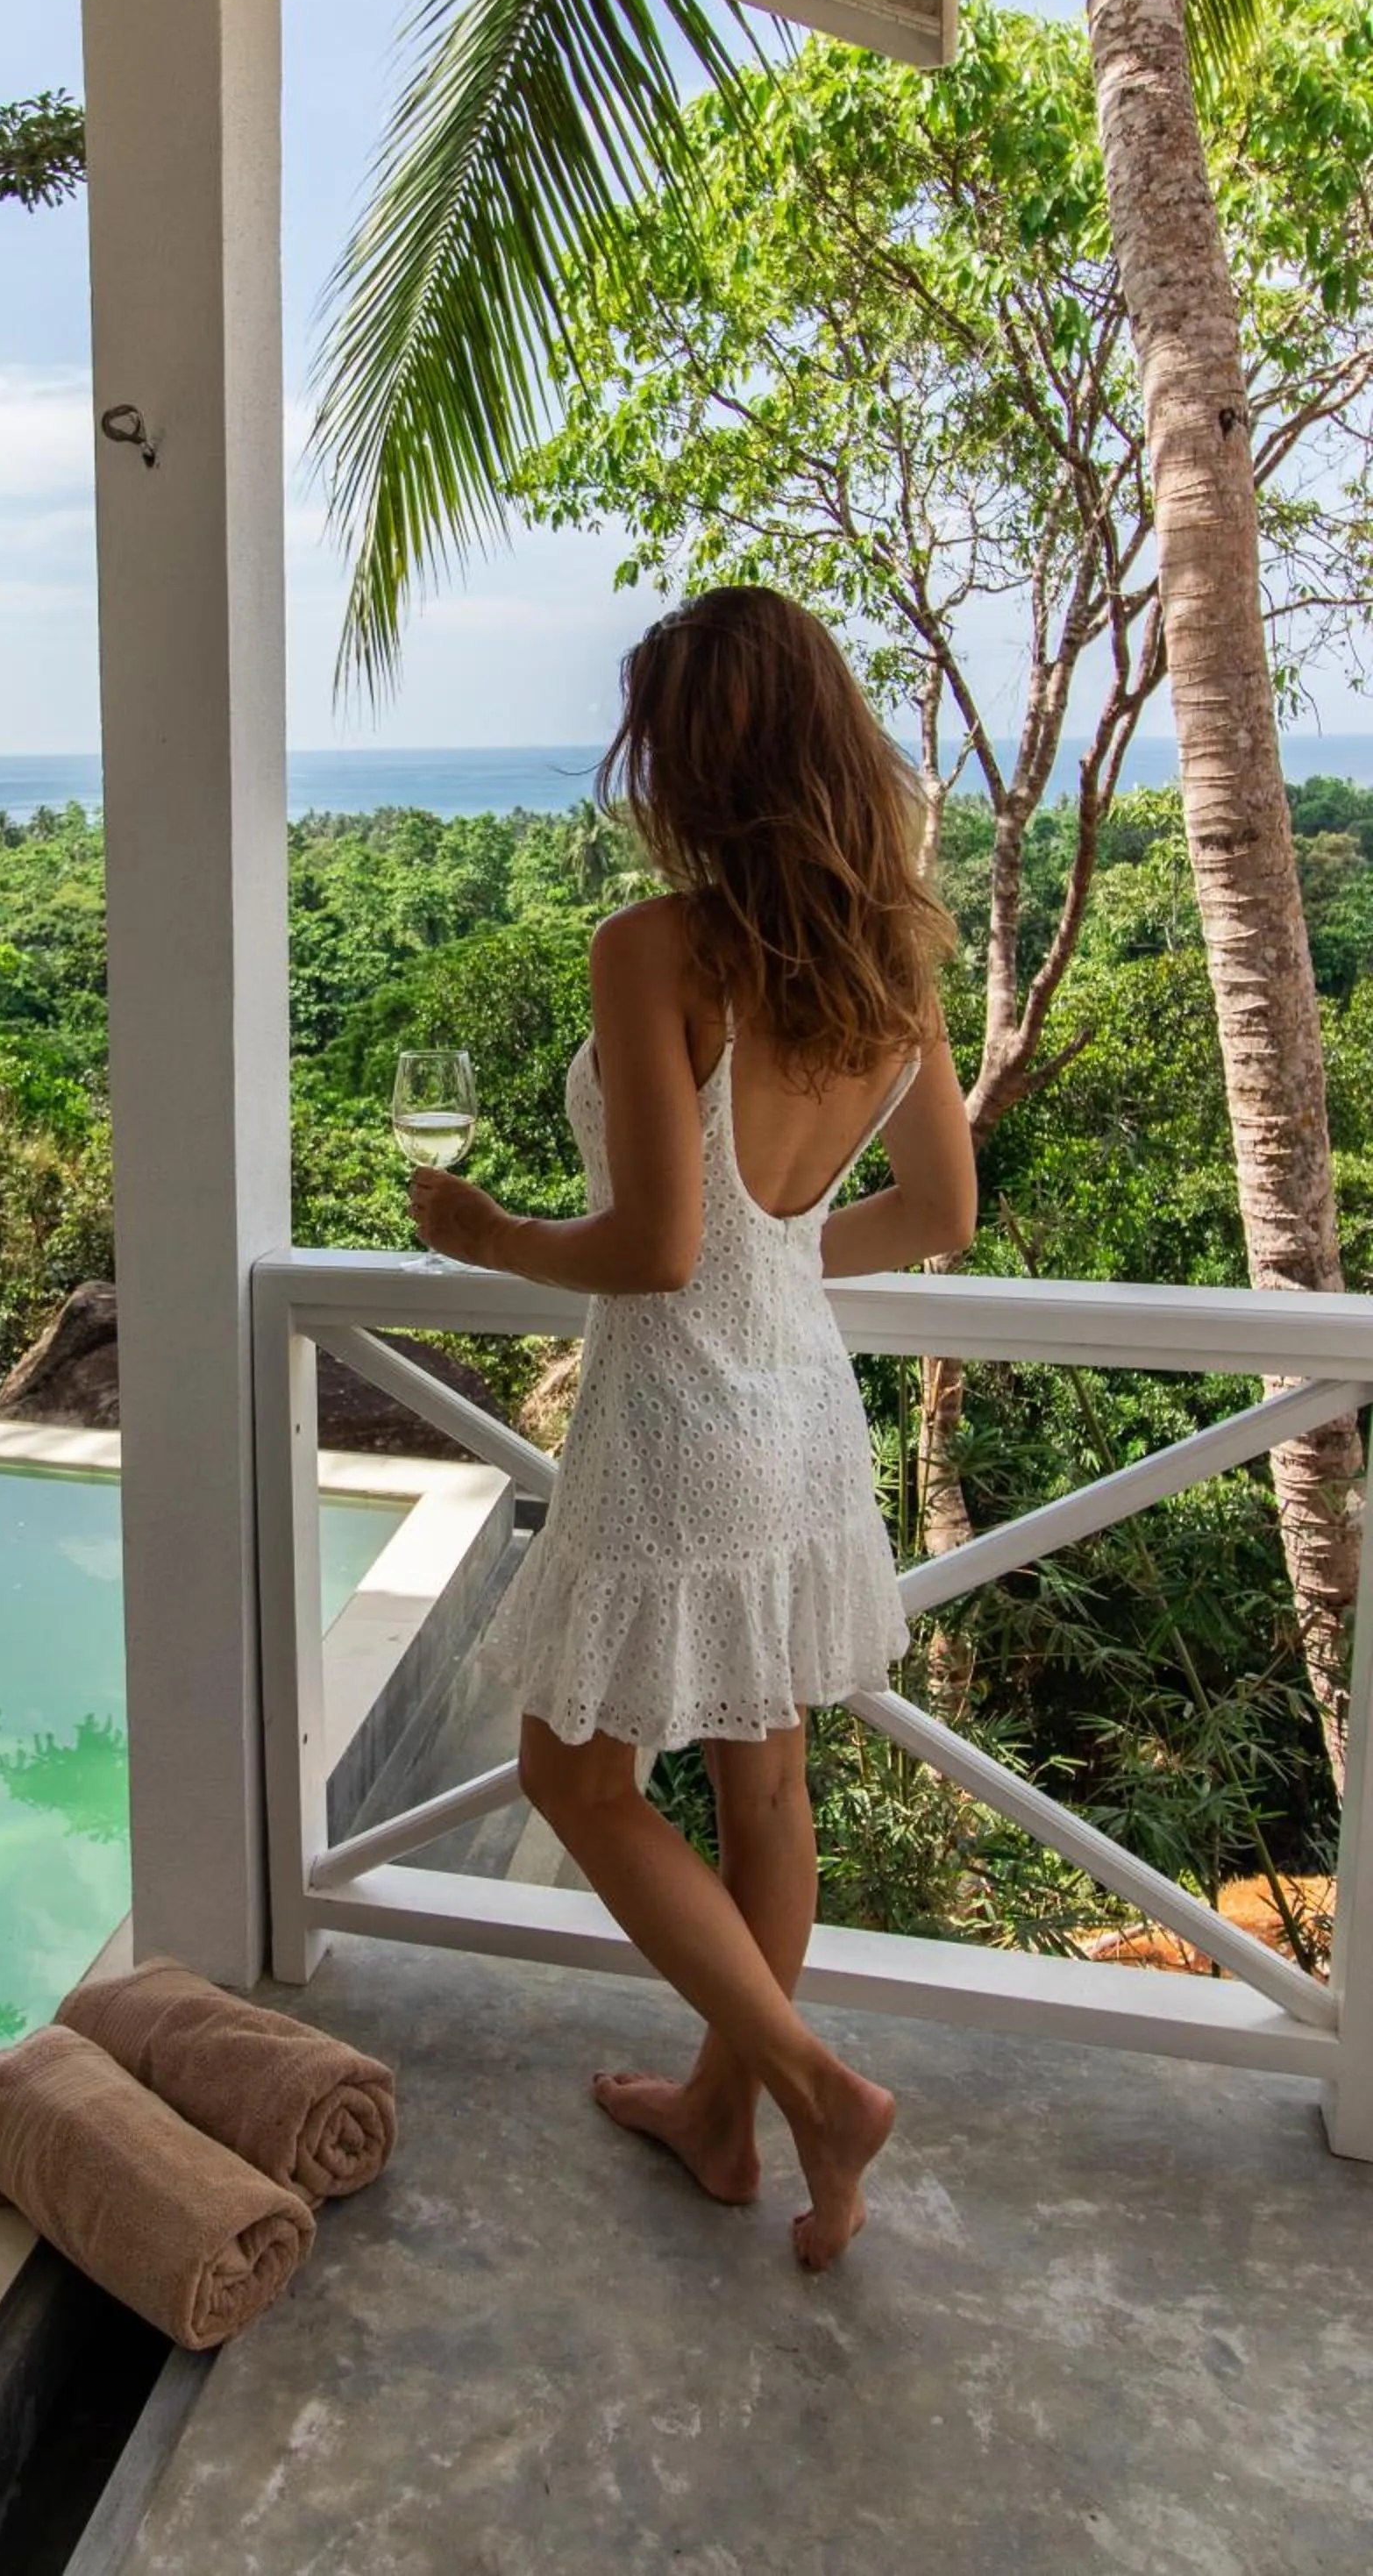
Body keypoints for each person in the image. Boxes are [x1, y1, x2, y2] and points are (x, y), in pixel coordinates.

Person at [409, 587, 978, 2269]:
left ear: (692, 757)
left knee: (573, 1775)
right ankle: (723, 2123)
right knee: (769, 1787)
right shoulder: (897, 948)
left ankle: (809, 2088)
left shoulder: (655, 951)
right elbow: (937, 1207)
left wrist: (492, 1234)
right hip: (802, 1416)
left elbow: (655, 1254)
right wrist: (785, 1245)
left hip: (673, 1426)